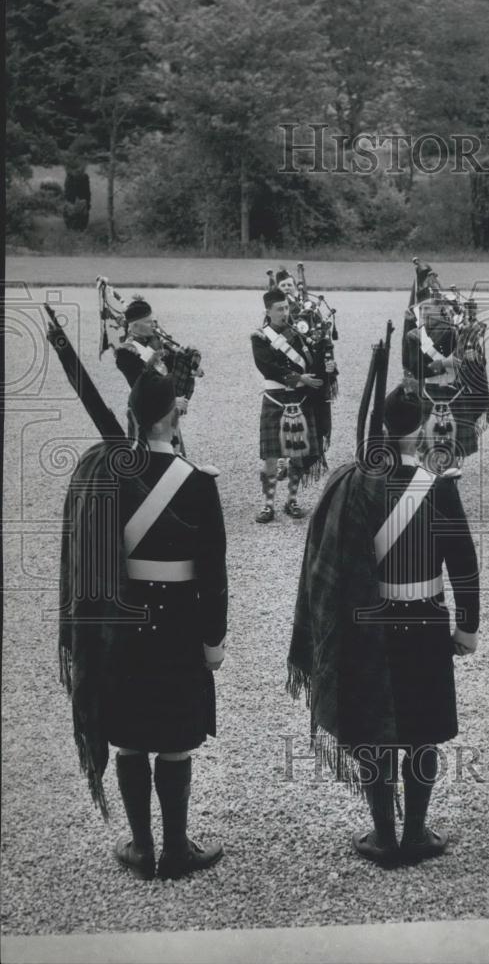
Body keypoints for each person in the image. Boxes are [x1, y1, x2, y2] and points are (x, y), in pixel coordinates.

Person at [287, 384, 480, 865]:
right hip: (427, 622)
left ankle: (382, 835)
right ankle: (415, 833)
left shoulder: (354, 483)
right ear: (421, 430)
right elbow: (464, 565)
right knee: (422, 730)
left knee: (374, 729)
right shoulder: (439, 486)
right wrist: (468, 627)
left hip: (369, 625)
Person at [59, 367, 228, 881]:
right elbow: (213, 574)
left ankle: (141, 846)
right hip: (177, 624)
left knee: (129, 736)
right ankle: (176, 850)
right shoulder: (197, 484)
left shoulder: (104, 475)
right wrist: (213, 640)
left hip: (122, 627)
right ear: (173, 418)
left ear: (133, 417)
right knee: (175, 737)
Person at [402, 263, 489, 468]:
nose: (422, 313)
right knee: (425, 443)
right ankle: (427, 472)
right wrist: (442, 363)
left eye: (427, 308)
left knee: (454, 444)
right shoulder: (415, 336)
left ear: (440, 310)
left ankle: (450, 472)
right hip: (429, 390)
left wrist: (470, 358)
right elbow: (414, 367)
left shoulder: (456, 332)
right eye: (421, 308)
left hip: (454, 392)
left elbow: (476, 365)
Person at [251, 287, 326, 523]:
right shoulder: (260, 337)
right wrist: (300, 378)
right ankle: (268, 505)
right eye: (279, 309)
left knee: (299, 454)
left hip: (300, 399)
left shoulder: (299, 334)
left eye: (286, 307)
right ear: (268, 311)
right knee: (271, 456)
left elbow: (312, 361)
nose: (285, 312)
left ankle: (292, 500)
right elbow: (267, 367)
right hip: (275, 397)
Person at [114, 296, 191, 451]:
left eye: (154, 321)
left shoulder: (155, 342)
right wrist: (172, 400)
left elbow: (171, 369)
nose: (155, 325)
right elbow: (142, 385)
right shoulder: (125, 352)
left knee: (175, 458)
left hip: (166, 411)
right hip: (146, 414)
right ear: (135, 326)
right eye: (149, 322)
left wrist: (187, 361)